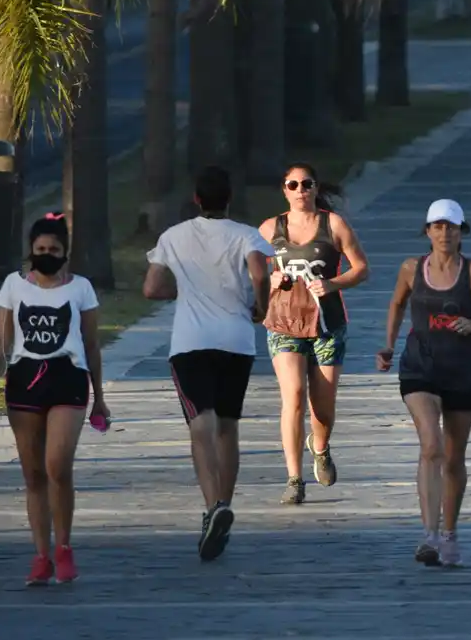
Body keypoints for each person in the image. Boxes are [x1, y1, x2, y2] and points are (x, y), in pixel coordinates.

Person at [143, 166, 273, 562]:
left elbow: (151, 288)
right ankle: (225, 505)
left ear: (196, 199)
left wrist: (178, 290)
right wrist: (261, 307)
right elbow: (258, 272)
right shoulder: (247, 235)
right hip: (236, 341)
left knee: (201, 425)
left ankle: (213, 507)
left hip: (191, 342)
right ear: (229, 198)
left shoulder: (173, 236)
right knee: (228, 427)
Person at [0, 213, 107, 584]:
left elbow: (92, 344)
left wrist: (99, 396)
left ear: (65, 253)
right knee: (33, 474)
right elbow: (0, 340)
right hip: (25, 379)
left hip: (68, 377)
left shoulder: (81, 288)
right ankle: (41, 555)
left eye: (54, 249)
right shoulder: (14, 286)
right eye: (41, 249)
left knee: (56, 465)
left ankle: (64, 546)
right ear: (31, 251)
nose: (47, 254)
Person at [378, 198, 471, 567]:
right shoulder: (411, 268)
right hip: (419, 367)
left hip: (462, 372)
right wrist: (388, 345)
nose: (444, 233)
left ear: (461, 232)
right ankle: (429, 535)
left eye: (451, 227)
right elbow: (396, 304)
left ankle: (450, 533)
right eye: (437, 226)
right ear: (427, 231)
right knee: (431, 445)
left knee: (453, 458)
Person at [259, 164, 371, 506]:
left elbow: (361, 268)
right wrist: (269, 279)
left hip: (326, 324)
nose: (300, 189)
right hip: (283, 323)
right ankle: (294, 478)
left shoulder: (332, 224)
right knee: (292, 395)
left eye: (306, 184)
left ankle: (319, 446)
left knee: (322, 409)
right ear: (284, 189)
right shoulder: (269, 228)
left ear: (314, 187)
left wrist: (332, 283)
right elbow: (248, 266)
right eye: (293, 184)